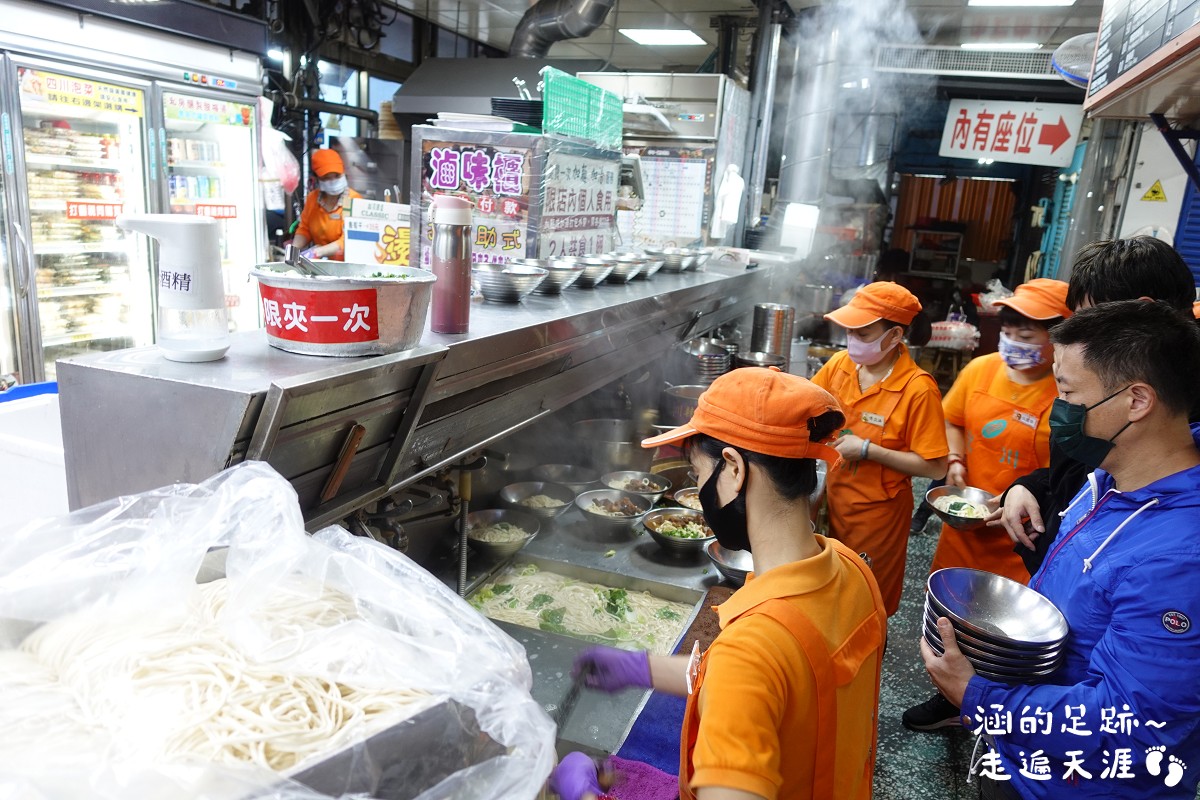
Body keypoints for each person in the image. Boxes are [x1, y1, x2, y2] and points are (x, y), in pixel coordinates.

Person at [549, 368, 887, 800]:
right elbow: (779, 688)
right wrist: (645, 669)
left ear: (733, 468)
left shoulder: (751, 648)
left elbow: (751, 671)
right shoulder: (851, 569)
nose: (697, 489)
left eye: (696, 475)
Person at [923, 299, 1200, 799]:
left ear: (1137, 401)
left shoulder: (1178, 560)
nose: (1059, 410)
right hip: (1025, 752)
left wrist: (978, 696)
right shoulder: (1109, 477)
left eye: (1068, 392)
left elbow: (1132, 727)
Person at [903, 279, 1071, 732]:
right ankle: (949, 699)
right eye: (1009, 328)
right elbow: (953, 419)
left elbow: (1071, 473)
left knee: (1004, 635)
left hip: (1021, 539)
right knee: (953, 617)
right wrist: (955, 460)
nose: (1013, 341)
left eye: (1027, 332)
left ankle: (999, 717)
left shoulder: (1070, 394)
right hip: (966, 526)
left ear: (1061, 336)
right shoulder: (980, 370)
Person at [990, 237, 1198, 576]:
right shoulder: (1109, 382)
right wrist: (1033, 486)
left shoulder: (1172, 418)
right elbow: (1084, 475)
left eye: (1088, 319)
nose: (1077, 332)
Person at [810, 281, 949, 616]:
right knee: (826, 594)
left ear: (895, 336)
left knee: (864, 601)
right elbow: (808, 404)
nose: (853, 340)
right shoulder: (841, 364)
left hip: (877, 515)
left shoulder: (917, 390)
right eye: (850, 331)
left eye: (864, 333)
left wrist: (869, 450)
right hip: (832, 497)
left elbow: (935, 467)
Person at [291, 149, 361, 261]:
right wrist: (293, 251)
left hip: (346, 265)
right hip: (320, 265)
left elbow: (349, 238)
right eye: (326, 178)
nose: (333, 181)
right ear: (317, 179)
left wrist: (317, 252)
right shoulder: (312, 199)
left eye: (337, 176)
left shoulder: (354, 200)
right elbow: (304, 229)